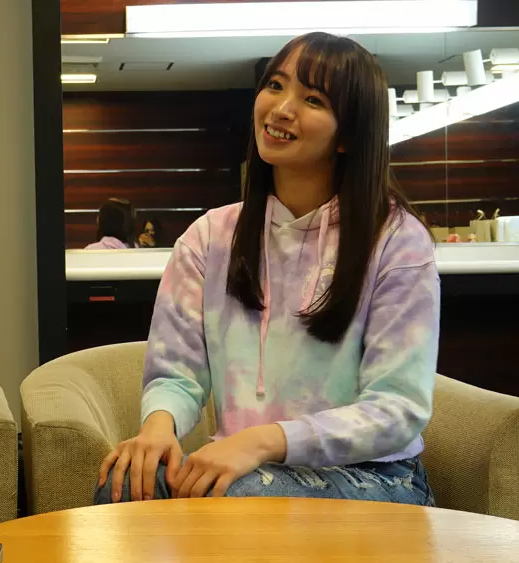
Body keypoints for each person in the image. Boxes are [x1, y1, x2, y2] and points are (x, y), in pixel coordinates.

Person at [96, 32, 439, 506]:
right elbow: (176, 374)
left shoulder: (397, 241)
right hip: (249, 470)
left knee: (238, 496)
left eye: (313, 99)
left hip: (376, 477)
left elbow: (398, 408)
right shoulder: (210, 236)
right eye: (275, 86)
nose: (281, 108)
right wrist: (159, 428)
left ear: (348, 134)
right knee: (125, 484)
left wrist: (262, 441)